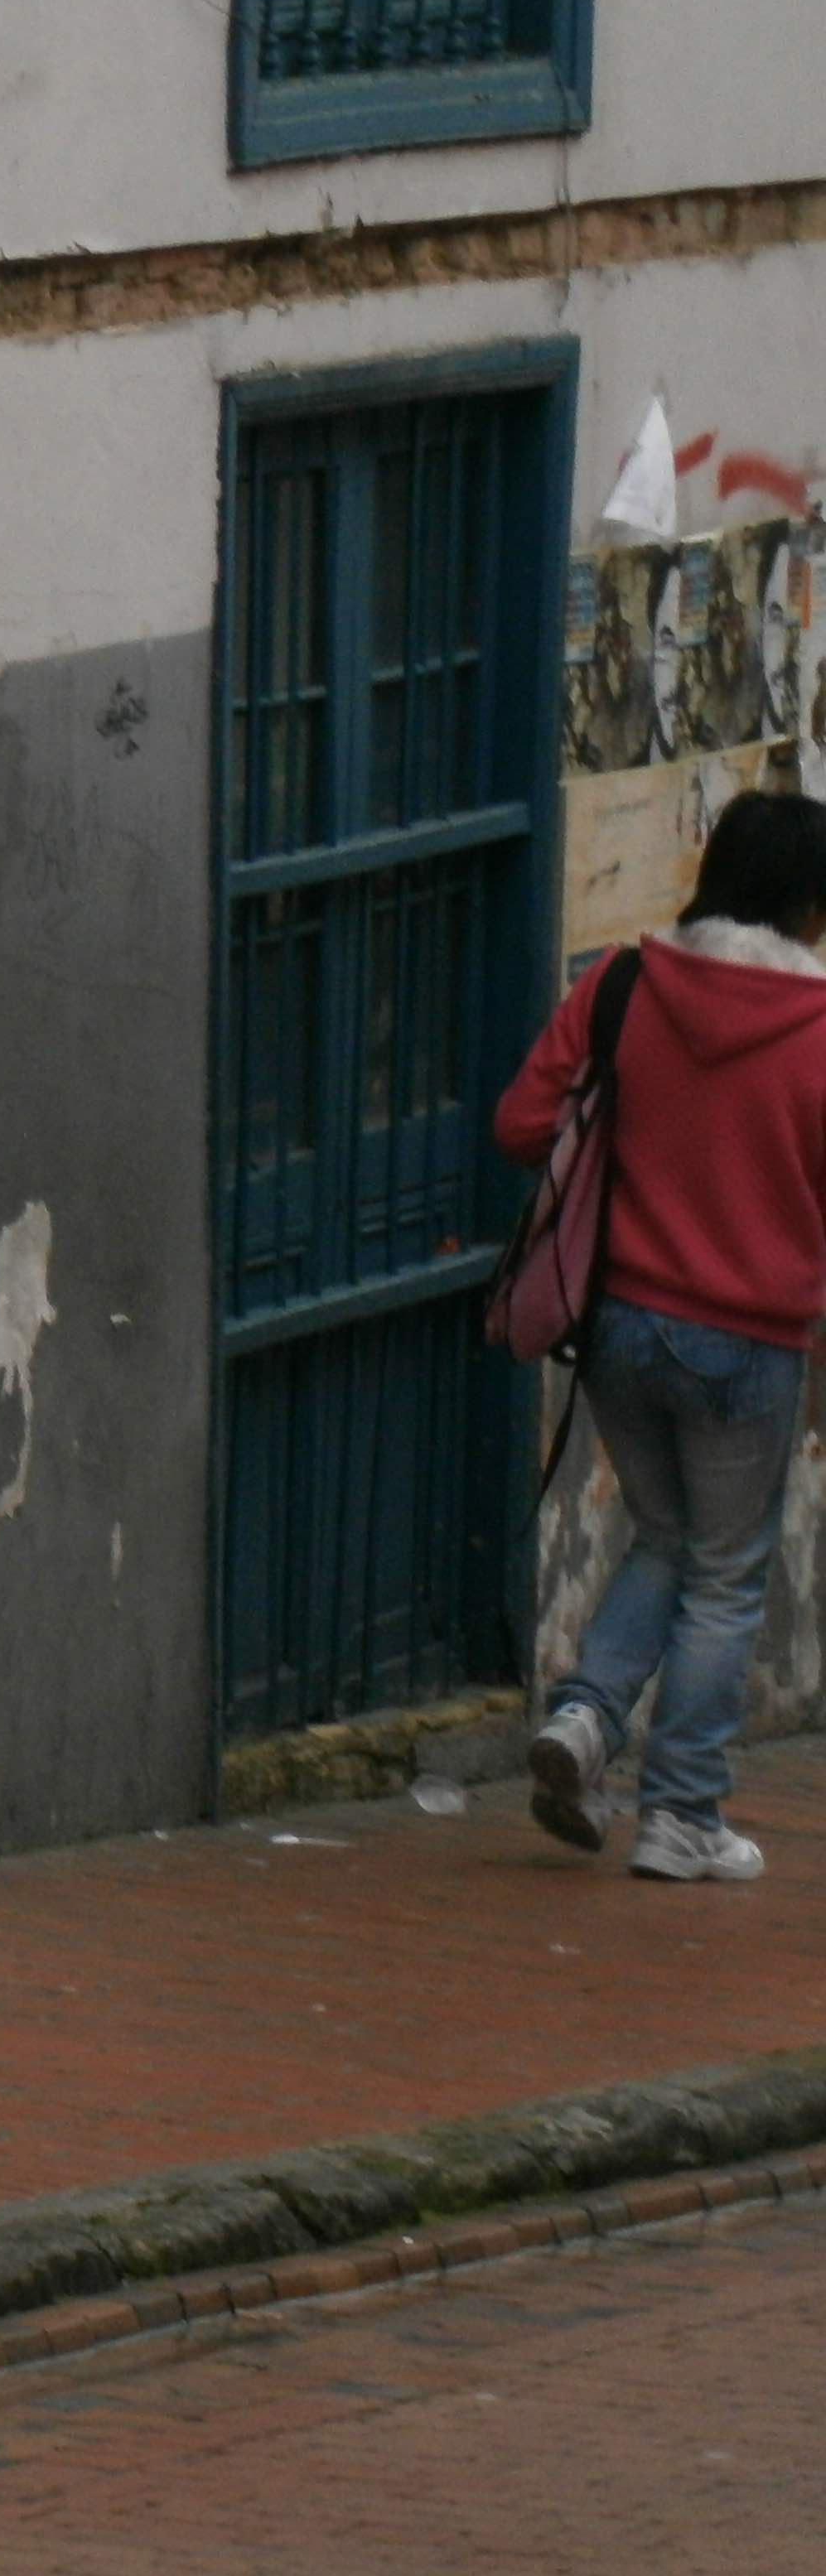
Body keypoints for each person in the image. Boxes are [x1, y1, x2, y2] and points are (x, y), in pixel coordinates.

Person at [495, 791, 826, 1883]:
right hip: (749, 1338)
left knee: (666, 1538)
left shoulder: (624, 985)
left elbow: (523, 1125)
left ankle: (587, 1719)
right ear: (809, 907)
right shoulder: (818, 1029)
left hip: (621, 1321)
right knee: (728, 1573)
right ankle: (683, 1814)